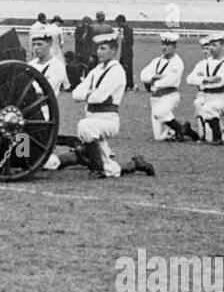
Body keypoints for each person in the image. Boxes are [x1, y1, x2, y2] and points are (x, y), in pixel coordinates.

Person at [69, 33, 154, 178]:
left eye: (103, 48)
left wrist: (88, 94)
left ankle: (97, 170)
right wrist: (89, 94)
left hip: (107, 120)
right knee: (109, 168)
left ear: (113, 51)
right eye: (98, 48)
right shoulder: (96, 70)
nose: (99, 52)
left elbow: (99, 97)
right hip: (93, 118)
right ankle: (137, 164)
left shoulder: (117, 71)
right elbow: (76, 93)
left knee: (84, 126)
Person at [140, 31, 194, 141]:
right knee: (158, 137)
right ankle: (181, 130)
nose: (164, 47)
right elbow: (143, 75)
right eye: (163, 44)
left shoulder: (177, 62)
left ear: (174, 46)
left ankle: (179, 129)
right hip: (155, 98)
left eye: (168, 45)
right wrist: (154, 78)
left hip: (169, 96)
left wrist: (153, 81)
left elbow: (170, 80)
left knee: (160, 112)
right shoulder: (157, 61)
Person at [186, 34, 224, 143]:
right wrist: (205, 80)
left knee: (209, 108)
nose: (211, 48)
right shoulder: (204, 63)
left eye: (215, 45)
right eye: (210, 45)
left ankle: (218, 138)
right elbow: (189, 79)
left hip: (222, 98)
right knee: (199, 104)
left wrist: (202, 79)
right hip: (207, 96)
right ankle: (206, 135)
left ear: (222, 46)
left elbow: (219, 79)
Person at [114, 15, 135, 90]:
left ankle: (129, 85)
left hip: (127, 52)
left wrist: (122, 36)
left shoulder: (128, 29)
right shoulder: (125, 29)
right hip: (124, 52)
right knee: (123, 68)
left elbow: (128, 41)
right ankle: (125, 84)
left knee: (127, 69)